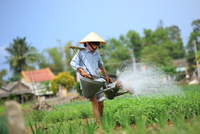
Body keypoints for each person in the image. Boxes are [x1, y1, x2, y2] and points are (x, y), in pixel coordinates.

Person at [70, 32, 113, 124]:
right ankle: (99, 124)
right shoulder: (81, 52)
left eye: (96, 44)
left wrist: (106, 76)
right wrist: (82, 71)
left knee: (101, 104)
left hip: (97, 80)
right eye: (93, 43)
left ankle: (101, 120)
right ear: (88, 43)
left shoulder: (97, 54)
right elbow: (73, 63)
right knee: (94, 101)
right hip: (87, 81)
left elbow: (101, 65)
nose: (95, 46)